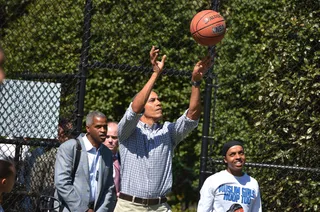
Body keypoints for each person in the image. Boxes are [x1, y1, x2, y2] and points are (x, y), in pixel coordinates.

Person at [114, 46, 211, 211]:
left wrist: (196, 82)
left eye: (158, 99)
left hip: (160, 207)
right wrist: (155, 73)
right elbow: (135, 109)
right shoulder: (127, 131)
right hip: (130, 207)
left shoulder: (168, 131)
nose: (158, 103)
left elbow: (192, 115)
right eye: (152, 100)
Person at [54, 111, 116, 212]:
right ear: (88, 128)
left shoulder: (106, 153)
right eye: (98, 127)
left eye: (105, 127)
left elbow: (108, 187)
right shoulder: (70, 147)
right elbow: (62, 182)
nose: (103, 130)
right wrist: (83, 210)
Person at [197, 140, 262, 212]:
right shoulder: (213, 181)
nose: (238, 157)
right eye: (232, 154)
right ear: (225, 159)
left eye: (241, 153)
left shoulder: (252, 183)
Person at [103, 121, 120, 197]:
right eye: (107, 137)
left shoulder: (124, 159)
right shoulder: (96, 158)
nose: (110, 141)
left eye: (114, 137)